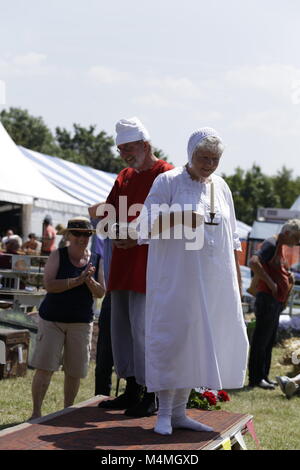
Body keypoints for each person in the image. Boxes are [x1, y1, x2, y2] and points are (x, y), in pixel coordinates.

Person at [138, 127, 249, 435]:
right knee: (172, 340)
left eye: (215, 159)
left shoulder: (221, 187)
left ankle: (179, 413)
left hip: (212, 284)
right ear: (190, 154)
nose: (209, 164)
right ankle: (163, 414)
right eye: (203, 157)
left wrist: (236, 286)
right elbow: (143, 226)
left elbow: (233, 240)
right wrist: (178, 217)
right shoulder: (168, 181)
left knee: (197, 344)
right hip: (175, 279)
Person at [91, 116, 173, 417]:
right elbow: (107, 214)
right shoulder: (124, 176)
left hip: (151, 269)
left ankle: (152, 394)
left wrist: (137, 237)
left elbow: (173, 222)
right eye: (121, 149)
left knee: (145, 332)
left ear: (145, 144)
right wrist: (115, 232)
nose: (125, 154)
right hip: (122, 267)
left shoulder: (167, 174)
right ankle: (132, 388)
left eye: (129, 147)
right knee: (122, 332)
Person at [29, 217, 105, 420]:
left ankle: (66, 412)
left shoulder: (97, 258)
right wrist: (77, 280)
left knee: (74, 371)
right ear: (69, 236)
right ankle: (36, 412)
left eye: (86, 234)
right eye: (77, 234)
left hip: (81, 322)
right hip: (52, 320)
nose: (82, 238)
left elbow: (101, 292)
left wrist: (89, 281)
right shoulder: (57, 255)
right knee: (45, 369)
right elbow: (50, 285)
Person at [248, 219, 300, 389]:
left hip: (275, 301)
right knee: (261, 340)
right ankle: (256, 378)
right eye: (296, 237)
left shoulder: (278, 246)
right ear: (287, 233)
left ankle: (264, 375)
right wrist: (271, 284)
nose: (297, 242)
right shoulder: (270, 244)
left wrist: (287, 276)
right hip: (267, 299)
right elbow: (254, 262)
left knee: (268, 340)